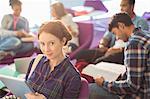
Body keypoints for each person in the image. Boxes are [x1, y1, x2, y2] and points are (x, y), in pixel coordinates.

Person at [75, 0, 149, 71]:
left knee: (97, 63)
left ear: (132, 6)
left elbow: (139, 43)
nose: (121, 8)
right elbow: (106, 37)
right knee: (80, 54)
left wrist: (119, 50)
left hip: (122, 52)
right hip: (110, 49)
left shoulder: (140, 23)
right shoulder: (117, 20)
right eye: (120, 6)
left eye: (124, 5)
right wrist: (102, 45)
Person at [89, 12, 150, 99]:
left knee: (89, 89)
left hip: (140, 95)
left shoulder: (134, 44)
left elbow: (132, 86)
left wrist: (104, 83)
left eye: (115, 33)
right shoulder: (145, 34)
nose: (117, 38)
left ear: (121, 26)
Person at [25, 20, 81, 99]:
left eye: (51, 43)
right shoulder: (35, 62)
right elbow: (25, 89)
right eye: (42, 44)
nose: (46, 49)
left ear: (63, 41)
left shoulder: (72, 77)